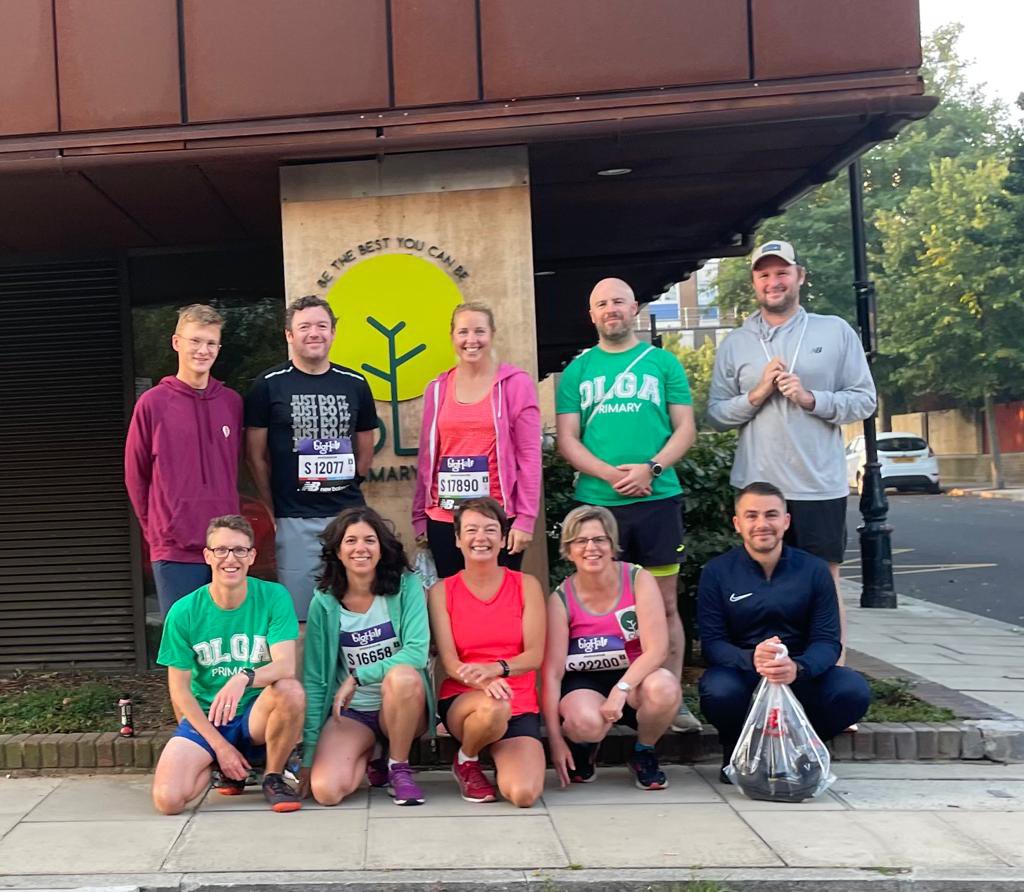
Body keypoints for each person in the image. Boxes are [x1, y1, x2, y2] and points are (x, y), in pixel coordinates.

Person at [707, 240, 877, 655]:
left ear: (800, 276)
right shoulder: (736, 343)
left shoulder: (834, 331)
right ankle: (767, 672)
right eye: (764, 274)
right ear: (754, 282)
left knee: (825, 584)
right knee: (761, 585)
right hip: (758, 487)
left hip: (817, 484)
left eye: (782, 272)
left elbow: (865, 400)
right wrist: (757, 394)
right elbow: (715, 414)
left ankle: (829, 673)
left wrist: (811, 399)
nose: (773, 281)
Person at [555, 277, 700, 733]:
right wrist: (609, 474)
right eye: (602, 304)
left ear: (634, 307)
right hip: (597, 505)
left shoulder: (663, 363)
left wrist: (650, 469)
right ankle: (605, 692)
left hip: (658, 499)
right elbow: (567, 440)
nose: (611, 309)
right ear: (591, 315)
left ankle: (670, 697)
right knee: (595, 604)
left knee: (665, 604)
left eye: (618, 301)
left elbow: (685, 428)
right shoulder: (578, 371)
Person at [697, 482, 871, 784]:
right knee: (717, 689)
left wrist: (797, 668)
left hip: (800, 674)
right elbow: (712, 644)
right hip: (744, 673)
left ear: (786, 521)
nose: (761, 524)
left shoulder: (814, 570)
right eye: (751, 516)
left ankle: (803, 749)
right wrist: (753, 659)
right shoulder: (717, 572)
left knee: (852, 689)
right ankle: (740, 752)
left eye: (771, 515)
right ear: (737, 523)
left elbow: (828, 641)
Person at [151, 515, 305, 814]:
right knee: (169, 801)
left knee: (290, 690)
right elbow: (179, 692)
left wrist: (242, 678)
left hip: (255, 715)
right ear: (208, 556)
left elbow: (284, 666)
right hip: (208, 717)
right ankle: (221, 766)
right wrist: (219, 748)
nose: (230, 558)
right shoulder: (183, 611)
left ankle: (273, 776)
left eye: (239, 550)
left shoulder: (273, 596)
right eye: (221, 550)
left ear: (252, 556)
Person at [246, 295, 379, 620]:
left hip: (348, 517)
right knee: (301, 617)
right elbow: (255, 456)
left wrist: (351, 483)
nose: (314, 333)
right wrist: (272, 506)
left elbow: (365, 446)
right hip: (294, 519)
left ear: (333, 332)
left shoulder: (355, 383)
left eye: (321, 325)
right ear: (289, 335)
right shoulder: (268, 385)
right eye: (304, 327)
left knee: (355, 614)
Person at [299, 507, 432, 807]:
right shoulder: (324, 601)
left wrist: (358, 677)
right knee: (327, 791)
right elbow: (316, 680)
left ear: (381, 549)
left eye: (370, 540)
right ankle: (373, 753)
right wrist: (309, 755)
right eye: (351, 541)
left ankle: (398, 766)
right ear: (337, 551)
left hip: (402, 706)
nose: (361, 548)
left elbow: (417, 652)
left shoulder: (406, 586)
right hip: (354, 712)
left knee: (402, 675)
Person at [543, 506, 682, 791]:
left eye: (599, 539)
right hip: (585, 681)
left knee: (665, 687)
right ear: (568, 550)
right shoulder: (560, 599)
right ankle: (584, 748)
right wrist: (555, 741)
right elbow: (552, 674)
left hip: (635, 677)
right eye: (581, 541)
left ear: (612, 545)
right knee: (585, 723)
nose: (591, 548)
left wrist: (621, 690)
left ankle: (644, 752)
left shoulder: (637, 578)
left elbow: (657, 649)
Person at [427, 497, 546, 806]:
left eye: (491, 530)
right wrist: (484, 682)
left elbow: (534, 656)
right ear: (457, 539)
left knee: (523, 794)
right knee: (493, 707)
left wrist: (497, 669)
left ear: (503, 538)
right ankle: (467, 759)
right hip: (466, 701)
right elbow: (450, 662)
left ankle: (493, 753)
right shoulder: (441, 591)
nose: (481, 538)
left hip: (518, 701)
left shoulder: (526, 585)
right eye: (471, 530)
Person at [125, 304, 243, 616]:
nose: (203, 350)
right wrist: (156, 532)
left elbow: (235, 467)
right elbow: (135, 475)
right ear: (177, 342)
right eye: (195, 341)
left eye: (211, 343)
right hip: (175, 550)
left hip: (227, 549)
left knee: (227, 638)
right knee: (183, 640)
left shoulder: (231, 402)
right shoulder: (152, 403)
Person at [413, 301, 541, 579]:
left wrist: (526, 519)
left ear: (492, 334)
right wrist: (419, 516)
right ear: (452, 337)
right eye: (463, 332)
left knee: (499, 597)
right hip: (445, 518)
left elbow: (530, 457)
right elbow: (427, 456)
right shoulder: (437, 388)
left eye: (479, 331)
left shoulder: (516, 384)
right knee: (451, 597)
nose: (471, 340)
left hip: (497, 518)